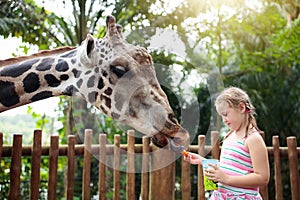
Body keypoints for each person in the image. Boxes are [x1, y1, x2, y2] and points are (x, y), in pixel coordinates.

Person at [184, 86, 270, 199]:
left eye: (225, 114)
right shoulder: (229, 136)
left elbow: (263, 177)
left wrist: (226, 179)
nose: (224, 119)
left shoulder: (253, 139)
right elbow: (230, 167)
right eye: (221, 116)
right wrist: (202, 161)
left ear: (241, 107)